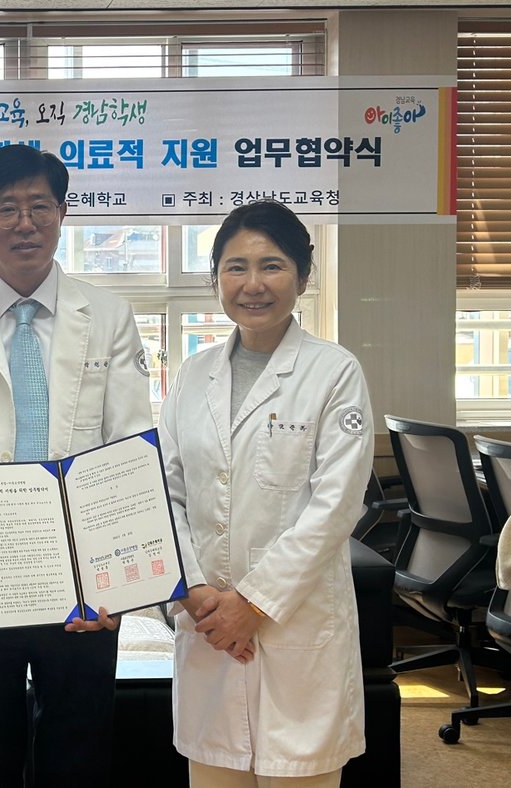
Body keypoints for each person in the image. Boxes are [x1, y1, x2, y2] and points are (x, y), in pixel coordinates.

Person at [0, 143, 152, 786]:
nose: (24, 223)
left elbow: (129, 446)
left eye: (40, 206)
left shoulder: (109, 316)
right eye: (5, 208)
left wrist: (119, 573)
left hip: (81, 575)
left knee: (78, 752)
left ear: (62, 214)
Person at [159, 200, 374, 787]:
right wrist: (194, 588)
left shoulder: (334, 372)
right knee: (215, 774)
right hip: (208, 623)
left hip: (295, 626)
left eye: (272, 265)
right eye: (236, 267)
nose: (252, 284)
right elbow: (167, 491)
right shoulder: (192, 374)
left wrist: (252, 605)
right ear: (216, 279)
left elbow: (335, 508)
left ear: (302, 277)